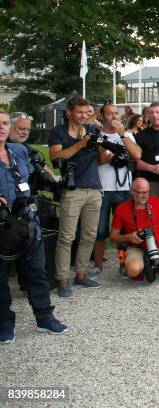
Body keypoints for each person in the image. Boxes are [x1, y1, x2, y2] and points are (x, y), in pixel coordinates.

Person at [0, 109, 68, 343]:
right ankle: (4, 324)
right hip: (2, 225)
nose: (2, 127)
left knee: (37, 272)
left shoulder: (19, 151)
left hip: (28, 220)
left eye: (5, 123)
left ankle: (44, 318)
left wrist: (46, 176)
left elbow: (33, 178)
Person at [48, 96, 104, 297]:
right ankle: (62, 279)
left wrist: (105, 145)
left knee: (89, 235)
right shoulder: (58, 132)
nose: (84, 116)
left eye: (87, 112)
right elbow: (55, 157)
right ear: (69, 112)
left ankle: (81, 274)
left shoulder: (92, 131)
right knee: (67, 237)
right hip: (72, 190)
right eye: (80, 112)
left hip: (94, 188)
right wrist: (80, 145)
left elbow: (103, 159)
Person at [91, 102, 142, 278]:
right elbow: (97, 161)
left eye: (116, 113)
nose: (114, 117)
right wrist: (112, 155)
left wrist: (123, 136)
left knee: (125, 230)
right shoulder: (97, 136)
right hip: (104, 188)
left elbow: (136, 155)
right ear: (102, 117)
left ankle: (122, 263)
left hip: (124, 188)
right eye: (110, 114)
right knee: (100, 231)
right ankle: (98, 265)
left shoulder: (126, 135)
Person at [109, 178, 159, 282]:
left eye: (147, 192)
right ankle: (145, 265)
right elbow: (113, 236)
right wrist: (129, 237)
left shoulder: (158, 202)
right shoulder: (122, 208)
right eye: (141, 192)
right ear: (132, 191)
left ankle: (153, 265)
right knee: (133, 270)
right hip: (136, 247)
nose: (144, 195)